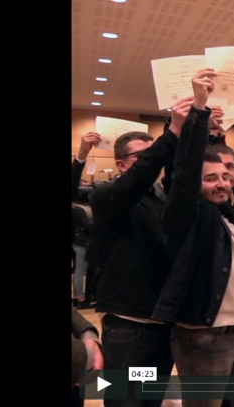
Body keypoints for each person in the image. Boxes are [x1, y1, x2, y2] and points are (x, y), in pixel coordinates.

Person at [152, 69, 234, 407]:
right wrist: (200, 109)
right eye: (210, 178)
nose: (221, 182)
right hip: (204, 337)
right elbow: (183, 174)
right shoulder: (190, 216)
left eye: (226, 176)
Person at [87, 95, 198, 407]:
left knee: (147, 397)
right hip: (128, 326)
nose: (153, 162)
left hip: (160, 322)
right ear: (121, 164)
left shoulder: (161, 197)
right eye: (143, 157)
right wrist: (171, 131)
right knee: (125, 400)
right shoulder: (108, 196)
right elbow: (137, 180)